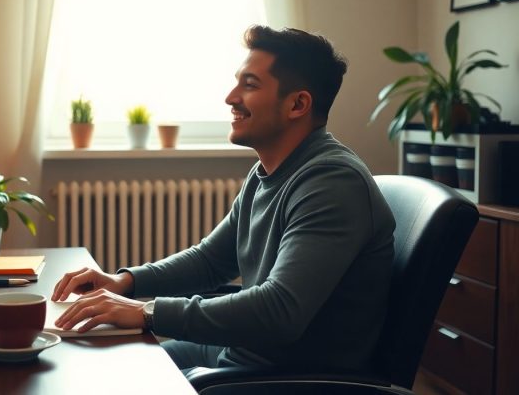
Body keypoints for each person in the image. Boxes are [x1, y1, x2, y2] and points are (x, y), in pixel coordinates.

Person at [52, 25, 396, 373]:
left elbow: (280, 310)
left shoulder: (332, 183)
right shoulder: (268, 171)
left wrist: (147, 311)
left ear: (298, 104)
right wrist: (126, 282)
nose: (231, 97)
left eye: (249, 85)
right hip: (240, 353)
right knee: (108, 368)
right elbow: (212, 261)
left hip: (282, 377)